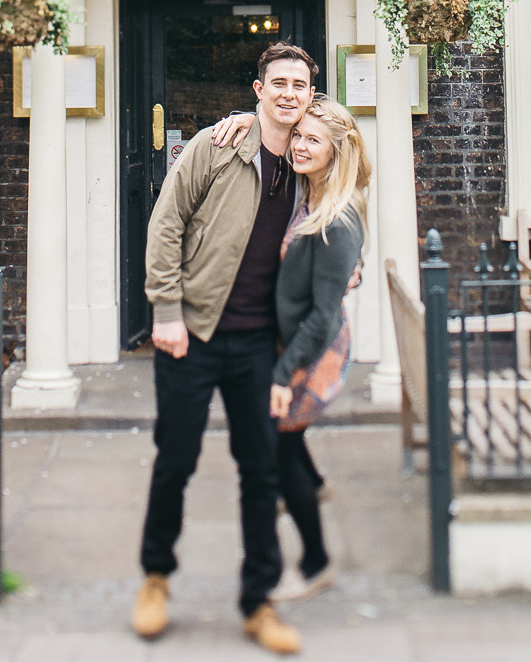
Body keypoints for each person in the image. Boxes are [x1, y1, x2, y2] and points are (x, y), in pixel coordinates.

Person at [133, 42, 316, 655]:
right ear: (258, 90)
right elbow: (166, 223)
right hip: (193, 332)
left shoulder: (315, 158)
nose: (290, 92)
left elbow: (349, 188)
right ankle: (156, 577)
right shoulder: (216, 147)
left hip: (260, 341)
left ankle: (258, 600)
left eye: (301, 84)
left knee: (260, 468)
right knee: (176, 460)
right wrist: (165, 310)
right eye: (279, 82)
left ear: (310, 95)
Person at [268, 99, 369, 603]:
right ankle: (316, 481)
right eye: (299, 135)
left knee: (278, 441)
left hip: (314, 349)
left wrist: (282, 374)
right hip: (298, 337)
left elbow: (323, 316)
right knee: (286, 438)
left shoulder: (338, 220)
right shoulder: (310, 193)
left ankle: (315, 563)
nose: (301, 145)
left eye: (313, 140)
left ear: (336, 152)